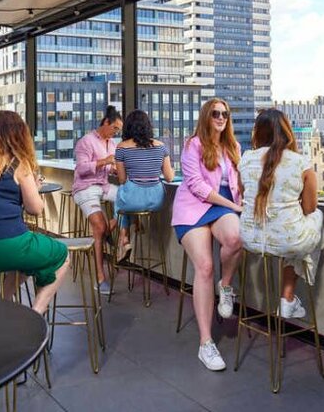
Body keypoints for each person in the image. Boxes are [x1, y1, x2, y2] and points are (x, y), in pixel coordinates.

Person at [0, 110, 70, 315]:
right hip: (4, 247)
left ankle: (5, 304)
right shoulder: (18, 164)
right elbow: (35, 209)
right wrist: (32, 187)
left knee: (22, 260)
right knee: (62, 254)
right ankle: (36, 313)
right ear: (19, 135)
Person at [172, 98, 243, 371]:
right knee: (204, 266)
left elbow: (240, 183)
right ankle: (205, 343)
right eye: (216, 113)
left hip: (223, 204)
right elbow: (197, 187)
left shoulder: (233, 147)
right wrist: (233, 206)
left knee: (236, 238)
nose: (221, 117)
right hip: (194, 207)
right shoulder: (194, 145)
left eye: (225, 113)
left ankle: (225, 286)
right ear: (206, 116)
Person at [238, 109, 324, 319]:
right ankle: (287, 297)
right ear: (287, 132)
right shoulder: (300, 163)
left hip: (251, 240)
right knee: (315, 220)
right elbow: (310, 208)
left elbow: (244, 196)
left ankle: (287, 299)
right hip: (287, 241)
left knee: (291, 239)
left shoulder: (246, 160)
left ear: (257, 133)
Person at [73, 105, 123, 296]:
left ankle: (110, 232)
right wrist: (105, 161)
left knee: (129, 200)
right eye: (115, 128)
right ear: (106, 123)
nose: (116, 132)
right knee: (99, 229)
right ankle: (100, 278)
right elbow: (82, 168)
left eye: (118, 130)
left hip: (103, 186)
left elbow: (109, 168)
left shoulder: (111, 143)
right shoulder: (86, 141)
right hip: (85, 188)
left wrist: (115, 169)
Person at [114, 109, 174, 263]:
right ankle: (135, 224)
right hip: (157, 200)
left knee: (120, 196)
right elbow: (169, 177)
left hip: (133, 198)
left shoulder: (121, 147)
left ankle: (124, 237)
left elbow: (121, 179)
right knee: (126, 198)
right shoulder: (161, 146)